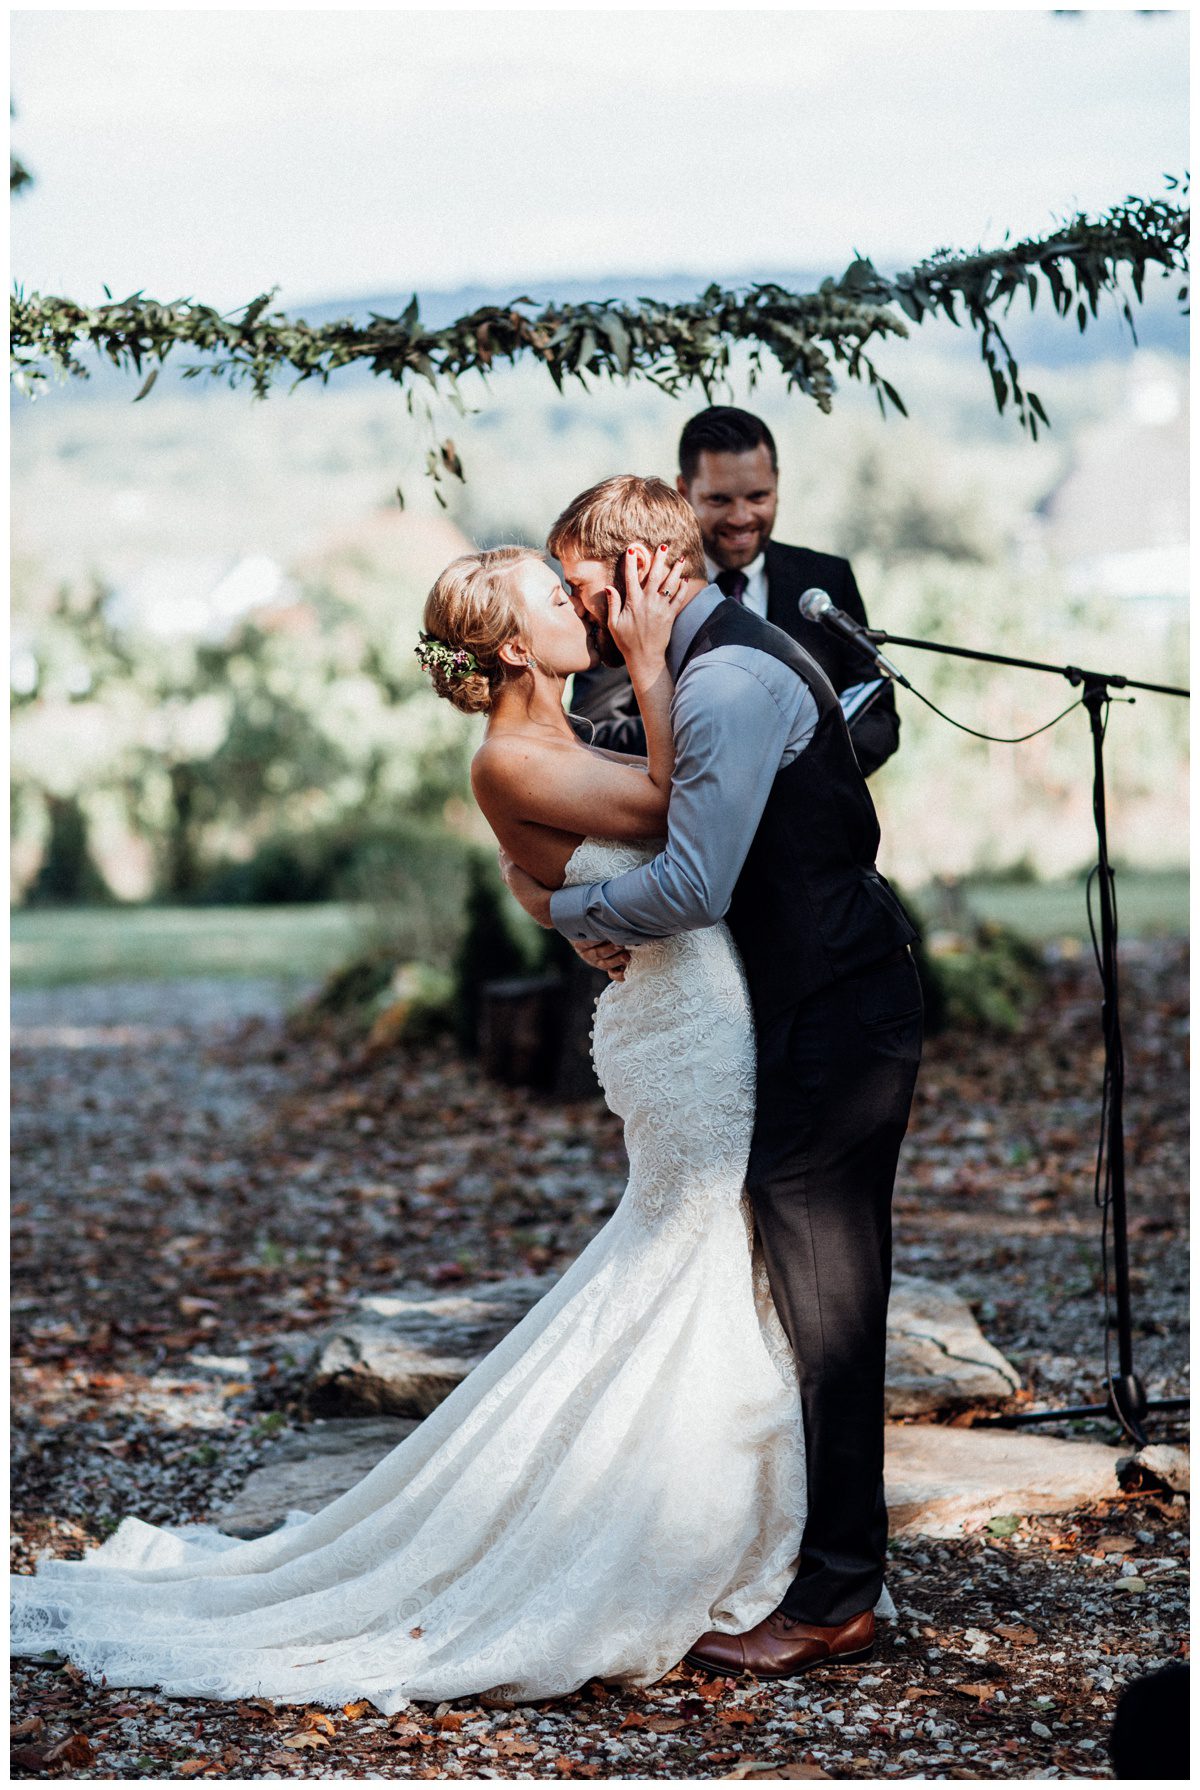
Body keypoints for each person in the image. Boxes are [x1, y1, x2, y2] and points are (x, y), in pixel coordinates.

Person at [10, 534, 844, 1710]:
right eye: (557, 597)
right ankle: (664, 1531)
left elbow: (567, 849)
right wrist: (655, 666)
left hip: (699, 1000)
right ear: (512, 644)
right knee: (691, 1244)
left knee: (711, 1251)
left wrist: (548, 892)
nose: (582, 602)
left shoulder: (562, 723)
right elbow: (668, 804)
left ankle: (726, 1517)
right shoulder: (511, 750)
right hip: (684, 1029)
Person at [504, 475, 922, 1681]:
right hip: (799, 1011)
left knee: (831, 1306)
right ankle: (798, 1553)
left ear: (637, 572)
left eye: (578, 580)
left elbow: (692, 884)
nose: (575, 608)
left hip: (837, 1018)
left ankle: (839, 1594)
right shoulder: (686, 671)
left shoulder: (732, 678)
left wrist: (566, 906)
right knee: (794, 1292)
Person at [570, 405, 900, 779]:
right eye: (720, 500)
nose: (741, 517)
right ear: (684, 492)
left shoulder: (827, 577)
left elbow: (878, 718)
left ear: (777, 484)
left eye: (758, 497)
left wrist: (794, 778)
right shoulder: (635, 588)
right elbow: (596, 728)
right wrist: (723, 740)